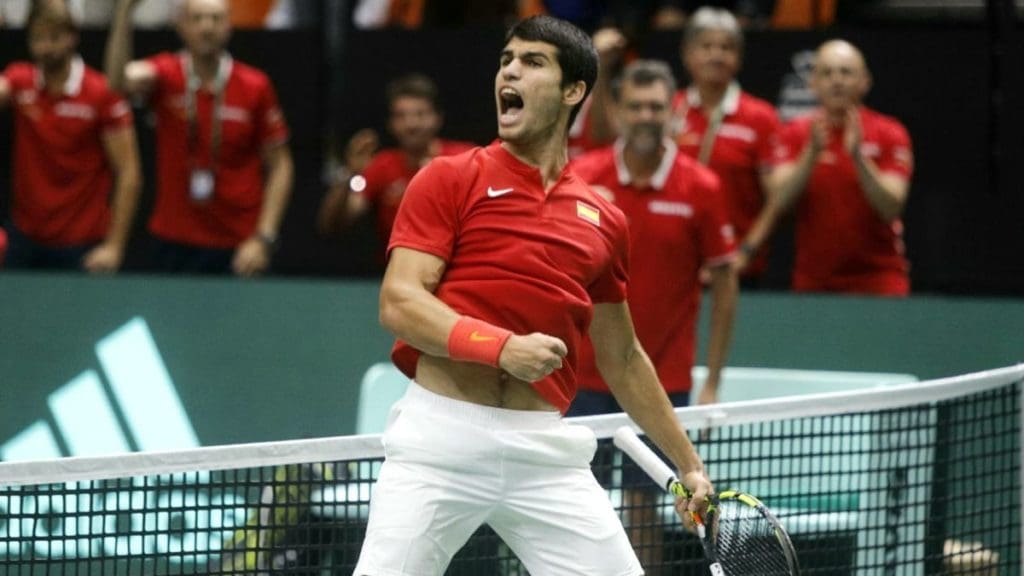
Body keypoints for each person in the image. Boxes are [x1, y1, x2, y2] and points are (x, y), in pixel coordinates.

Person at [354, 15, 713, 576]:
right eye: (506, 60)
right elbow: (399, 303)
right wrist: (500, 348)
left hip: (542, 451)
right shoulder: (449, 178)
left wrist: (688, 465)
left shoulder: (603, 219)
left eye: (533, 62)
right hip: (439, 442)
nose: (510, 71)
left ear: (574, 92)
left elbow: (622, 356)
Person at [569, 59, 737, 573]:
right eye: (636, 105)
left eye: (656, 107)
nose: (646, 115)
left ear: (673, 113)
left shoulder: (702, 187)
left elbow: (726, 286)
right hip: (580, 376)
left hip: (660, 379)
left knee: (647, 505)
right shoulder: (583, 176)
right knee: (575, 503)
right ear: (617, 111)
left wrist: (711, 380)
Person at [105, 0, 293, 276]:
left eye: (215, 19)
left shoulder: (255, 85)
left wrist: (264, 238)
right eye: (197, 19)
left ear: (229, 25)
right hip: (172, 242)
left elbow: (281, 166)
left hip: (238, 245)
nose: (206, 27)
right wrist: (124, 13)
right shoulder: (165, 73)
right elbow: (117, 83)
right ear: (181, 26)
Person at [0, 0, 141, 273]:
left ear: (73, 37)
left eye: (55, 37)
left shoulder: (100, 92)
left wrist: (114, 246)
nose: (46, 47)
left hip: (82, 246)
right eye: (38, 38)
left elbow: (129, 173)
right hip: (25, 241)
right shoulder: (20, 81)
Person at [765, 39, 913, 295]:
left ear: (864, 81)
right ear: (813, 83)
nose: (837, 80)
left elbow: (891, 207)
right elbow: (778, 202)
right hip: (813, 283)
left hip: (880, 279)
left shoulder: (891, 132)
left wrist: (858, 157)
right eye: (827, 72)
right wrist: (810, 155)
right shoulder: (795, 134)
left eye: (846, 72)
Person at [316, 73, 474, 262]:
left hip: (456, 272)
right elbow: (332, 224)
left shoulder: (466, 158)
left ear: (437, 118)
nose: (411, 124)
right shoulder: (382, 166)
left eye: (420, 114)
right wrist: (350, 171)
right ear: (391, 123)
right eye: (401, 116)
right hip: (397, 276)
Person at [673, 7, 779, 287]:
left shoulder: (761, 117)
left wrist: (744, 253)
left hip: (740, 270)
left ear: (739, 58)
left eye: (726, 47)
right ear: (687, 53)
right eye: (706, 46)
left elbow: (776, 199)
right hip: (676, 267)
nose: (716, 55)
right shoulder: (669, 111)